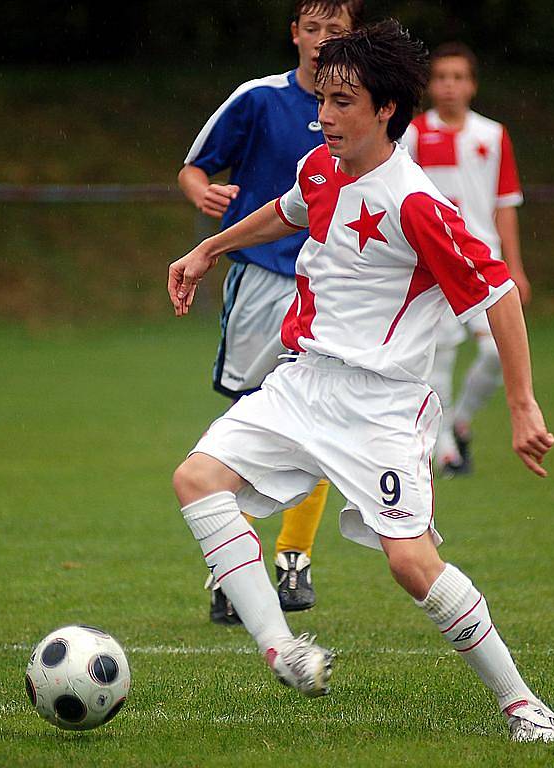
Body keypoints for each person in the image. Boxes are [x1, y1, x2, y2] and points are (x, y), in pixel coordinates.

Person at [168, 21, 554, 743]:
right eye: (322, 98)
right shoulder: (321, 167)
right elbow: (286, 210)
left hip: (381, 405)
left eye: (342, 101)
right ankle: (282, 649)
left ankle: (521, 702)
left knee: (411, 565)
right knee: (197, 479)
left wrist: (521, 403)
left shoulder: (415, 203)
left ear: (385, 109)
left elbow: (497, 293)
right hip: (303, 381)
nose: (324, 115)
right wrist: (209, 249)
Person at [178, 0, 363, 623]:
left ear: (352, 37)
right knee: (247, 413)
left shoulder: (368, 111)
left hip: (331, 284)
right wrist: (203, 191)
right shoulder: (259, 98)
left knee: (318, 412)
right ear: (294, 34)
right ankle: (230, 570)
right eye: (313, 29)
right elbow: (194, 167)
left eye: (335, 30)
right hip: (260, 278)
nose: (322, 41)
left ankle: (294, 556)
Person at [402, 42, 531, 476]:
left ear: (472, 85)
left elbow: (505, 203)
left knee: (497, 352)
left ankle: (460, 419)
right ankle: (444, 449)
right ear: (430, 85)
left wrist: (515, 266)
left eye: (458, 77)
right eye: (440, 77)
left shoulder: (492, 135)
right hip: (435, 265)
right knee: (438, 356)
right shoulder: (415, 133)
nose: (449, 86)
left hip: (484, 262)